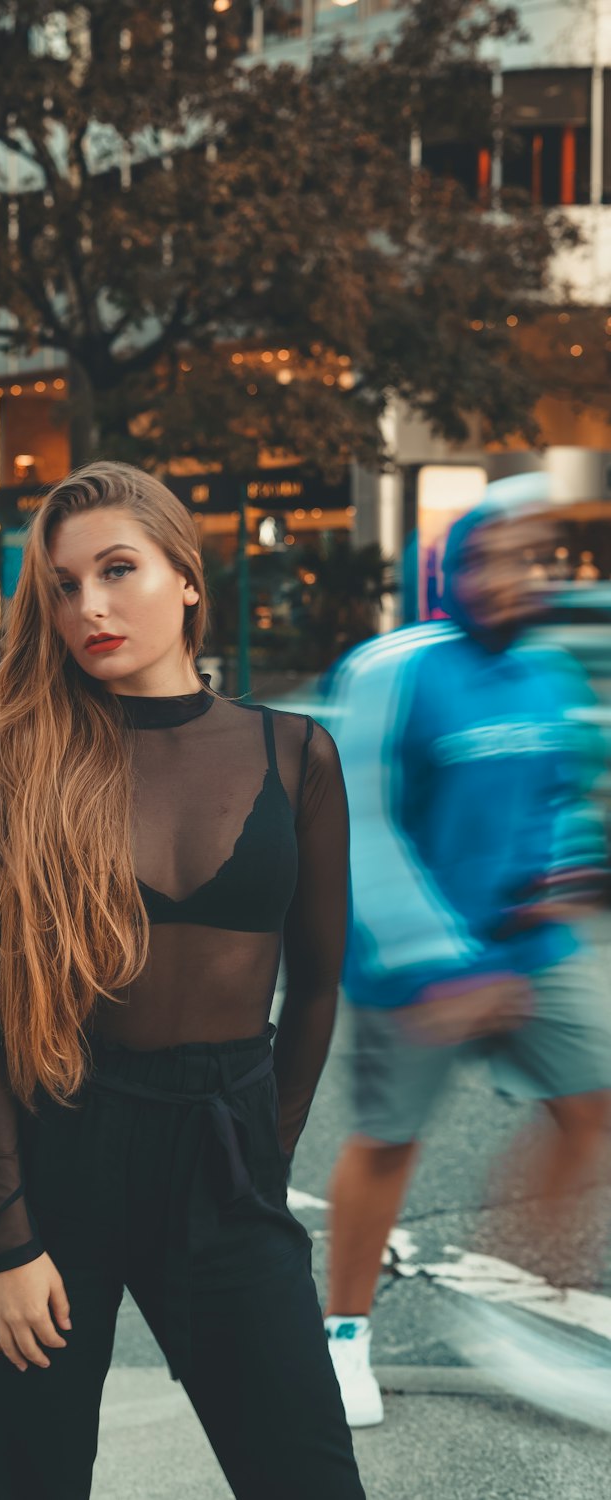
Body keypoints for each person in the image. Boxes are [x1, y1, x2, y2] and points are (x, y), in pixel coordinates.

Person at [0, 461, 366, 1499]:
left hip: (222, 1158)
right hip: (52, 1155)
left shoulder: (294, 754)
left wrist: (261, 1161)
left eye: (116, 569)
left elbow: (315, 985)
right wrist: (5, 1241)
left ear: (186, 577)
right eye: (61, 584)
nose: (87, 605)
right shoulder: (15, 765)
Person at [321, 473, 611, 1429]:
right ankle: (343, 1339)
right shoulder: (393, 669)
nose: (507, 577)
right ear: (448, 566)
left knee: (594, 1106)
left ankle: (517, 1305)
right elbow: (365, 831)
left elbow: (565, 802)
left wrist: (566, 876)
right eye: (486, 557)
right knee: (389, 1142)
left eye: (528, 559)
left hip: (525, 952)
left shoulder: (548, 672)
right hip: (415, 967)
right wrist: (445, 965)